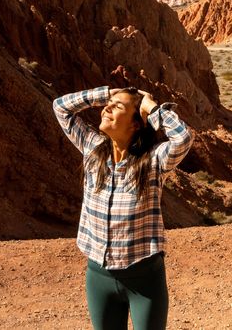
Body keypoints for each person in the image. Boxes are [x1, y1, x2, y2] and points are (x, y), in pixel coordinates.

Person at [53, 85, 194, 330]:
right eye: (109, 104)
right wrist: (104, 94)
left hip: (145, 281)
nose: (107, 109)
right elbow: (61, 107)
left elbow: (183, 137)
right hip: (98, 277)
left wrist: (152, 110)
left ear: (136, 124)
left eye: (117, 107)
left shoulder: (152, 162)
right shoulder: (92, 147)